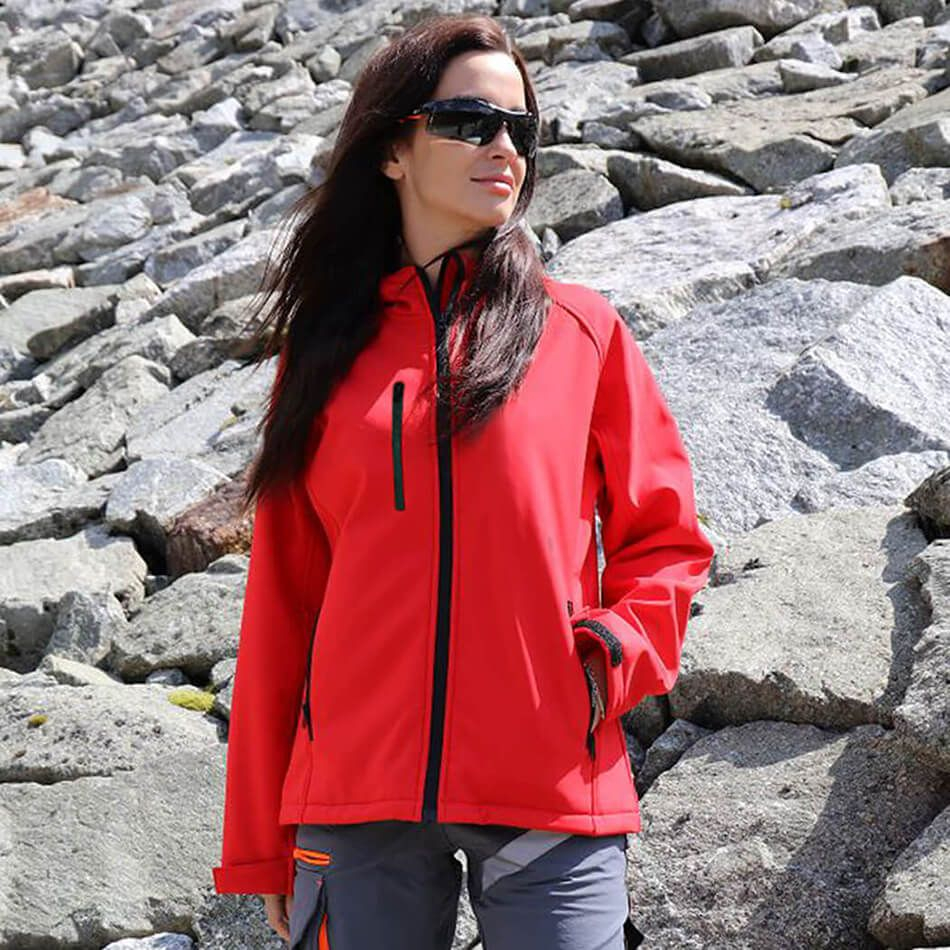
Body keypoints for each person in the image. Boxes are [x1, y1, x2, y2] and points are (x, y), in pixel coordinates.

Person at [211, 12, 715, 950]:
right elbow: (283, 600)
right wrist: (256, 843)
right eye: (469, 122)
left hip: (547, 782)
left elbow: (667, 538)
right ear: (392, 148)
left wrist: (608, 656)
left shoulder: (582, 332)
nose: (504, 148)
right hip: (356, 794)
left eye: (520, 127)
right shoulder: (323, 353)